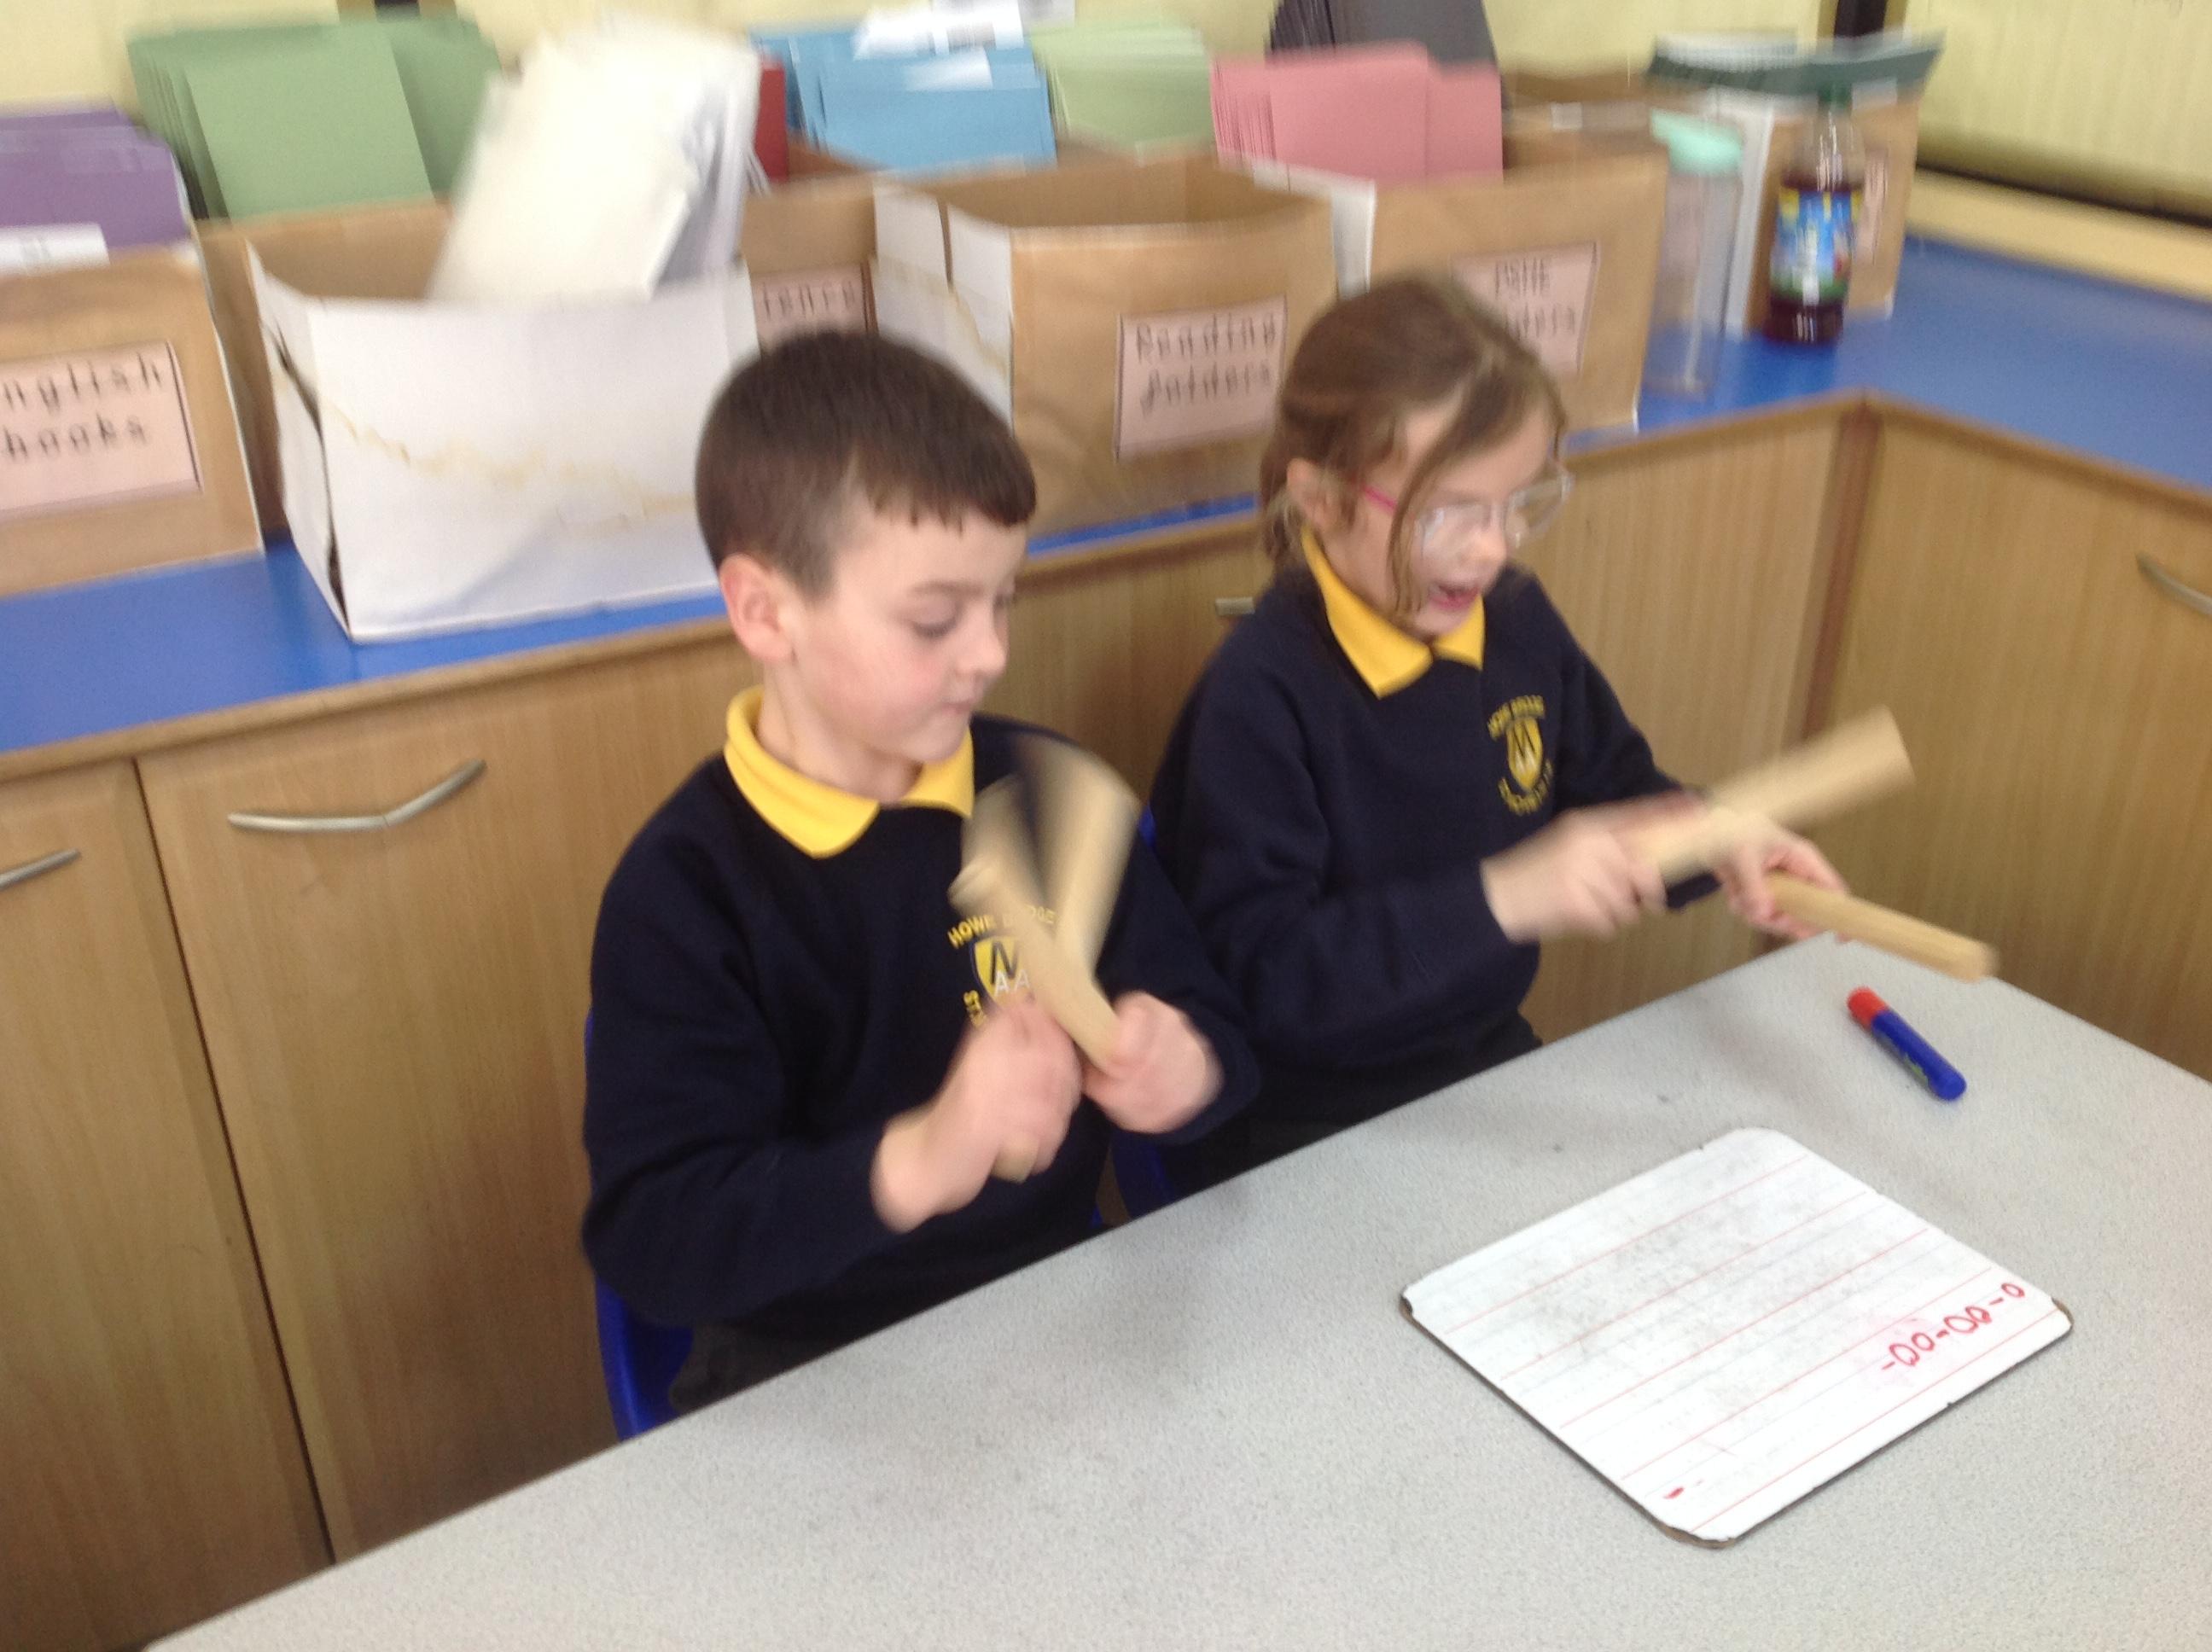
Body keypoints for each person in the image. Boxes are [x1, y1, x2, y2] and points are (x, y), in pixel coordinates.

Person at [585, 332, 1255, 1409]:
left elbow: (1217, 1027)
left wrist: (1189, 1065)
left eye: (1004, 601)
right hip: (809, 1365)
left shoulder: (1041, 791)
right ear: (765, 610)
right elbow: (659, 1239)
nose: (989, 653)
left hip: (1061, 1305)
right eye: (935, 618)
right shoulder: (688, 895)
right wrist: (920, 1159)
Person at [1150, 276, 1842, 1186]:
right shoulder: (1259, 696)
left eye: (1518, 501)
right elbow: (1266, 984)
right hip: (1302, 1130)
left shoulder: (1513, 623)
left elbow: (1617, 790)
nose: (1495, 547)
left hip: (1481, 1075)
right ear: (1320, 499)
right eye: (1448, 513)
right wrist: (1505, 898)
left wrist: (1713, 837)